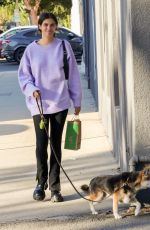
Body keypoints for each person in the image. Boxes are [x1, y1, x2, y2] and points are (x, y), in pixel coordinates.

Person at [18, 12, 82, 202]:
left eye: (52, 25)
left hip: (60, 103)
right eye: (45, 25)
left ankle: (55, 188)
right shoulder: (31, 50)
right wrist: (32, 89)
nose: (48, 28)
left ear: (56, 27)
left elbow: (73, 75)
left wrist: (76, 101)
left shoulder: (64, 46)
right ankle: (40, 183)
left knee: (55, 145)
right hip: (39, 105)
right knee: (41, 145)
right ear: (39, 27)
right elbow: (24, 76)